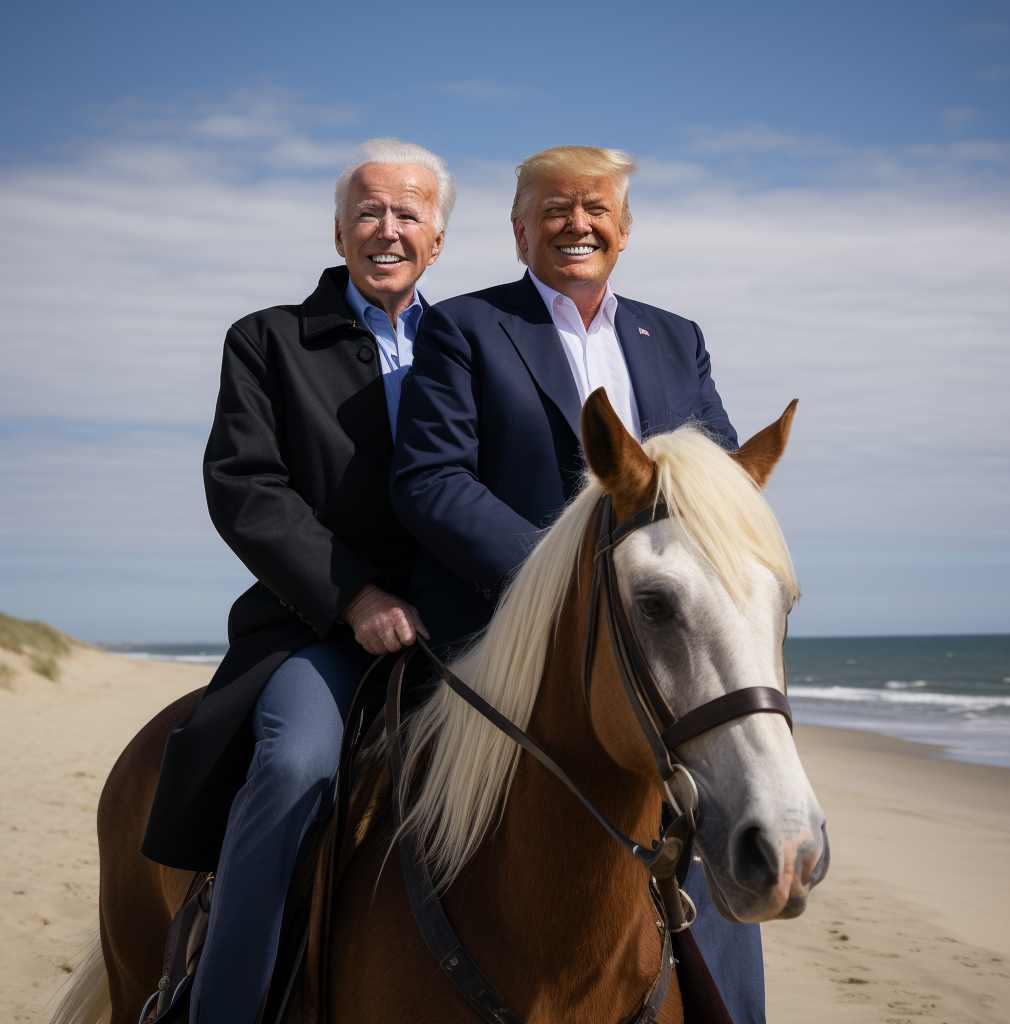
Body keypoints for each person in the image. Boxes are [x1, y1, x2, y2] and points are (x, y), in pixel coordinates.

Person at [390, 145, 764, 1023]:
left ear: (625, 232)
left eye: (596, 208)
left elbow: (719, 489)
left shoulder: (678, 338)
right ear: (520, 231)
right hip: (499, 641)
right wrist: (556, 589)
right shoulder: (467, 328)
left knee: (717, 809)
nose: (576, 223)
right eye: (553, 210)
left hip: (656, 648)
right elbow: (431, 480)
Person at [140, 136, 455, 1024]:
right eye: (368, 211)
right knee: (295, 763)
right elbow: (245, 489)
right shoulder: (266, 340)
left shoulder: (477, 341)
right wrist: (355, 596)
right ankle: (221, 1004)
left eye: (408, 213)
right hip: (318, 628)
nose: (387, 229)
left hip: (466, 623)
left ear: (439, 237)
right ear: (338, 228)